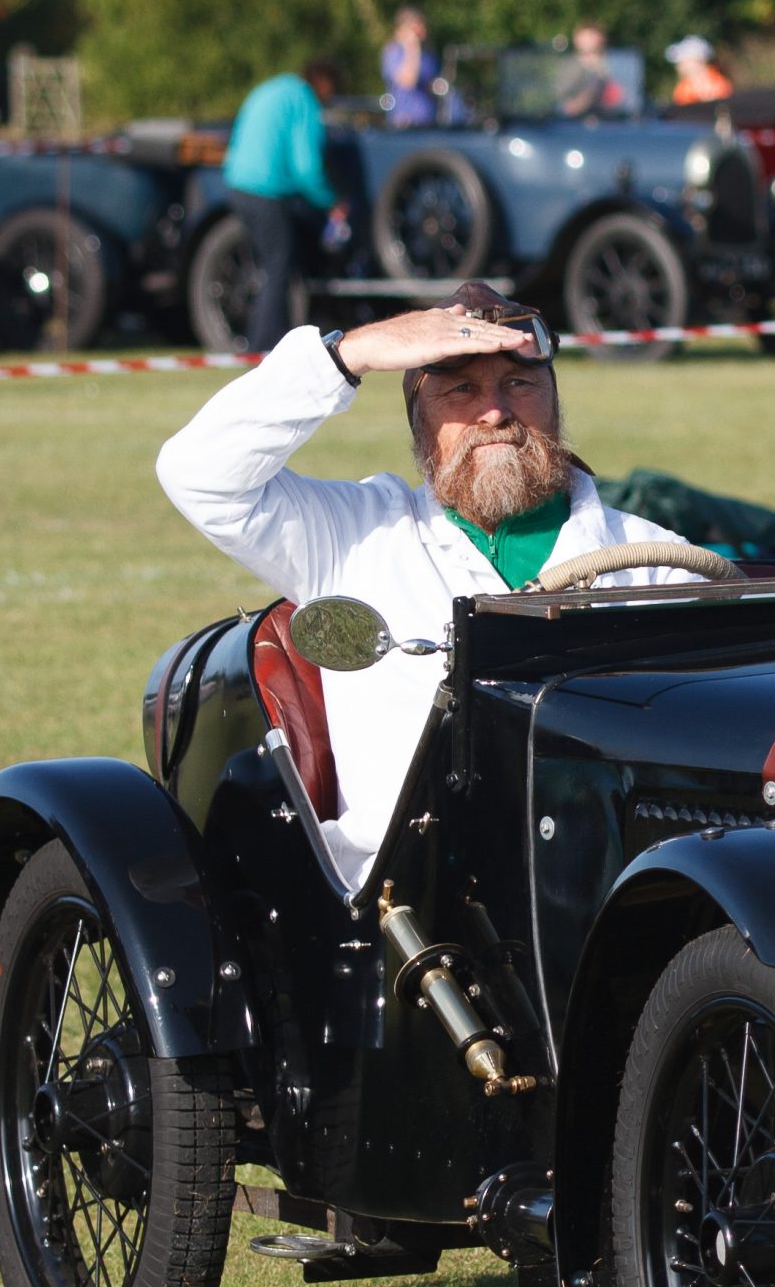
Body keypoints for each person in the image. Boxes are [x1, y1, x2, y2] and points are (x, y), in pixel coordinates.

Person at [156, 282, 705, 891]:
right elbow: (197, 475)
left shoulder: (657, 563)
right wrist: (350, 353)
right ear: (420, 420)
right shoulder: (355, 534)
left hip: (601, 887)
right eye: (461, 390)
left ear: (554, 402)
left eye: (518, 384)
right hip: (407, 907)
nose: (494, 412)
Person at [224, 58, 349, 352]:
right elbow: (306, 167)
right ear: (324, 82)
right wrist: (331, 201)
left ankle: (265, 339)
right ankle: (263, 347)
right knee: (279, 266)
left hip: (236, 183)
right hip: (265, 190)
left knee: (269, 266)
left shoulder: (277, 87)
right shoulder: (303, 99)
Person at [381, 7, 438, 127]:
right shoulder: (393, 52)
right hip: (404, 121)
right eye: (417, 28)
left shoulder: (427, 54)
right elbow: (408, 81)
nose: (422, 31)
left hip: (428, 120)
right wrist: (412, 48)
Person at [554, 22, 625, 117]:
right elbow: (563, 104)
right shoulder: (569, 67)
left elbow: (625, 101)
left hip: (610, 122)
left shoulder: (616, 65)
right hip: (574, 123)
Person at [666, 36, 732, 106]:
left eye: (683, 61)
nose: (679, 67)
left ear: (698, 61)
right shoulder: (682, 89)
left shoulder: (720, 85)